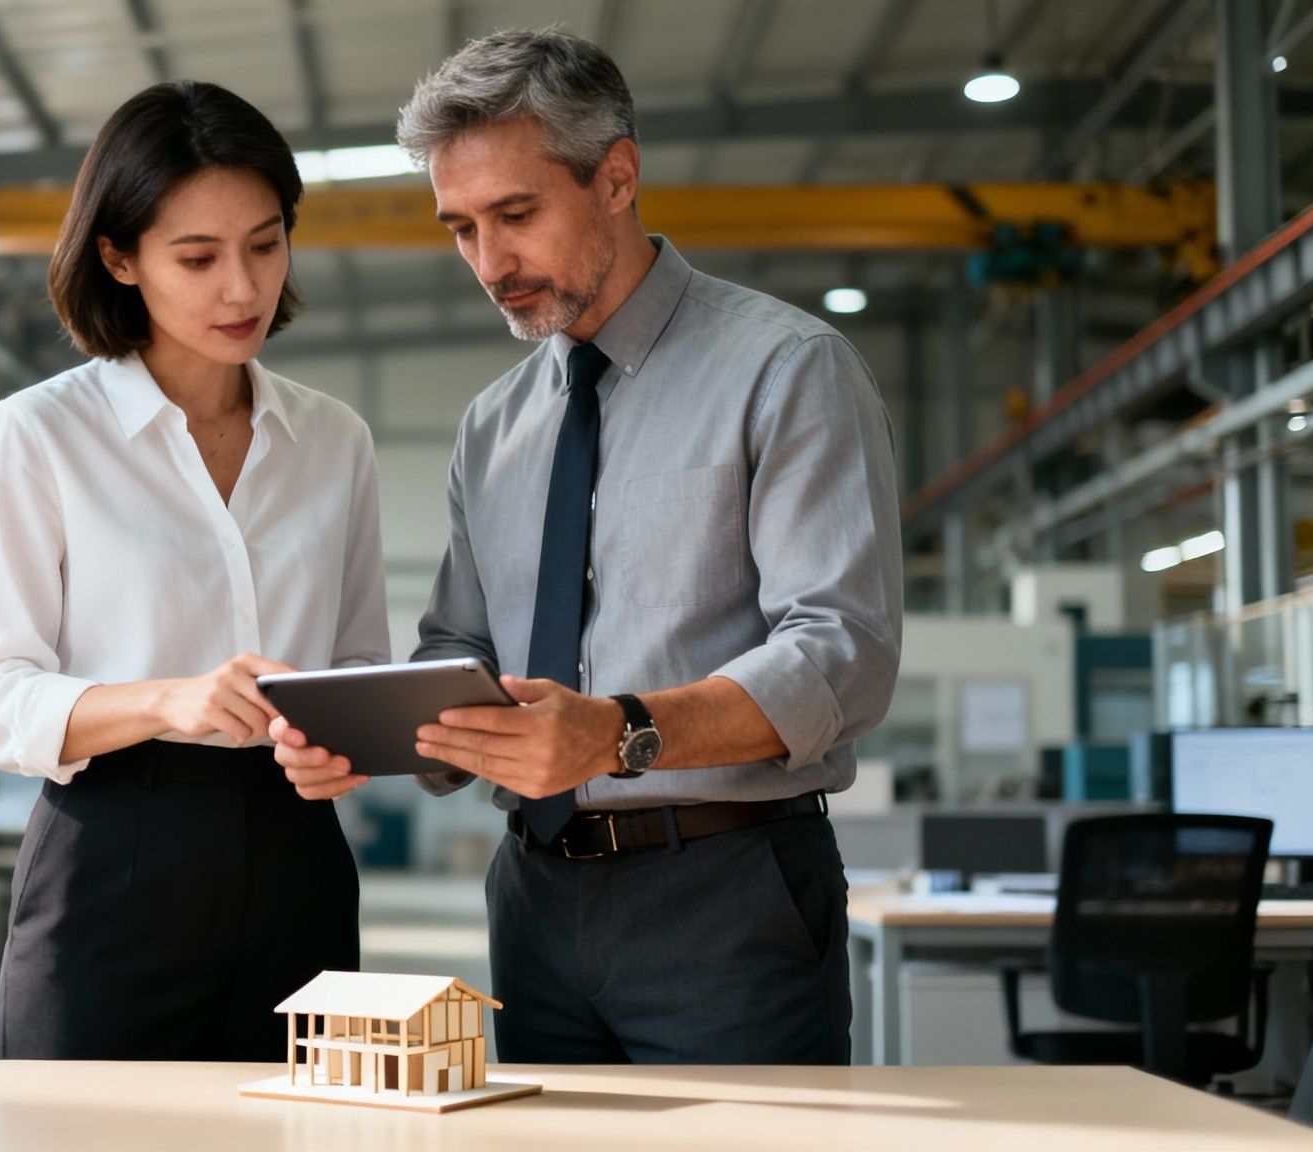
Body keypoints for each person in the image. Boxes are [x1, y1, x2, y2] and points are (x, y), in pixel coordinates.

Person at [274, 27, 903, 1065]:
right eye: (460, 227)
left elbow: (840, 653)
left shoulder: (785, 370)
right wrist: (368, 731)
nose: (488, 263)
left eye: (516, 214)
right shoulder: (493, 425)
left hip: (726, 900)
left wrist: (617, 736)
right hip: (533, 894)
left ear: (616, 177)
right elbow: (457, 646)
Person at [0, 80, 390, 1061]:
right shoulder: (39, 436)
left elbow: (359, 664)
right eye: (196, 256)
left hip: (295, 859)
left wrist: (346, 745)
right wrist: (168, 701)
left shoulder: (333, 442)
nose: (241, 288)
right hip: (114, 854)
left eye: (264, 244)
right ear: (119, 257)